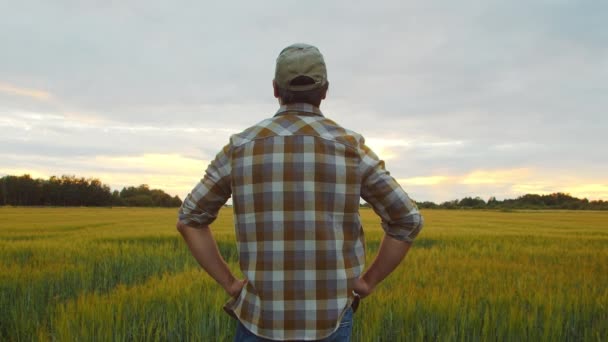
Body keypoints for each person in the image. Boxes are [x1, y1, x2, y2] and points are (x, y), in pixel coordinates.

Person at [176, 43, 424, 341]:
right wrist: (368, 281)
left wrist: (229, 283)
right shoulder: (351, 148)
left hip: (258, 321)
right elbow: (407, 220)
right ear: (325, 91)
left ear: (275, 89)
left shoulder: (240, 148)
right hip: (329, 324)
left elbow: (189, 219)